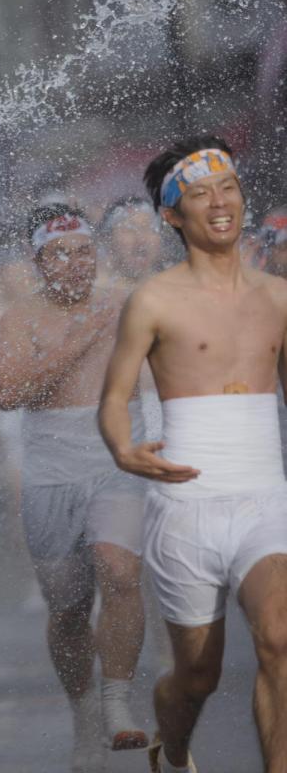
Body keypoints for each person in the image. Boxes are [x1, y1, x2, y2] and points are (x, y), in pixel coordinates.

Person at [99, 136, 287, 773]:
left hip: (265, 499)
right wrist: (123, 449)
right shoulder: (154, 300)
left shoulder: (277, 296)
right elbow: (114, 399)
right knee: (198, 676)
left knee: (280, 638)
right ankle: (172, 748)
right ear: (173, 216)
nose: (220, 203)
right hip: (186, 504)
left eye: (228, 187)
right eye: (201, 194)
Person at [0, 204, 148, 770]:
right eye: (60, 254)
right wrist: (77, 341)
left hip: (116, 460)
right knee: (68, 608)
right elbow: (6, 393)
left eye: (84, 251)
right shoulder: (20, 317)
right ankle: (83, 715)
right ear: (37, 261)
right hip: (51, 474)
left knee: (119, 570)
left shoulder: (126, 304)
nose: (76, 264)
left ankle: (117, 700)